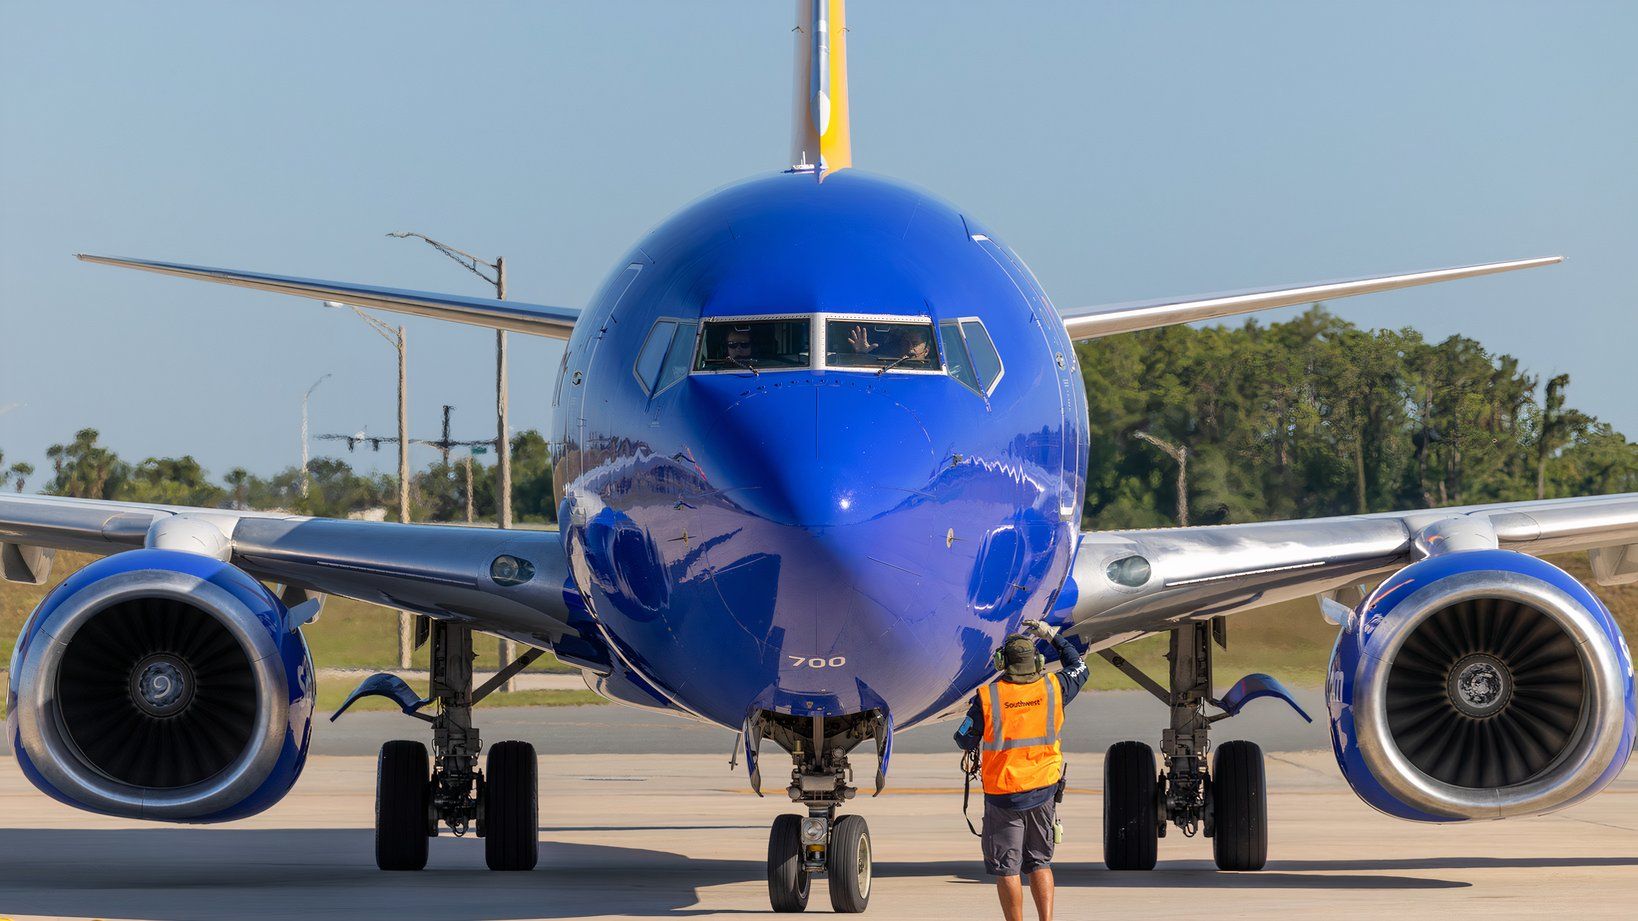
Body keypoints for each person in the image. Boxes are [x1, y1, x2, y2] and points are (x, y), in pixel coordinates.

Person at [954, 619, 1088, 921]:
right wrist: (1053, 636)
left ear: (1003, 663)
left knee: (1007, 867)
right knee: (1040, 863)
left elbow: (963, 737)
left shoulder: (988, 698)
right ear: (1037, 662)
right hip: (1043, 789)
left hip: (1004, 795)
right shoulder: (1055, 687)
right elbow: (1079, 666)